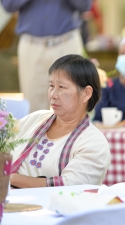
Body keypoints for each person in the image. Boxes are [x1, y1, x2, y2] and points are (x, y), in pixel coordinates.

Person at [1, 0, 92, 112]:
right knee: (34, 107)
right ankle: (38, 138)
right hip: (32, 45)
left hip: (66, 42)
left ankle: (71, 138)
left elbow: (86, 5)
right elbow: (7, 4)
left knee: (72, 104)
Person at [9, 55, 111, 188]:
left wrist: (10, 178)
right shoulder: (36, 119)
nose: (53, 94)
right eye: (51, 86)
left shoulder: (93, 142)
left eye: (62, 87)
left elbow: (68, 185)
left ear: (86, 93)